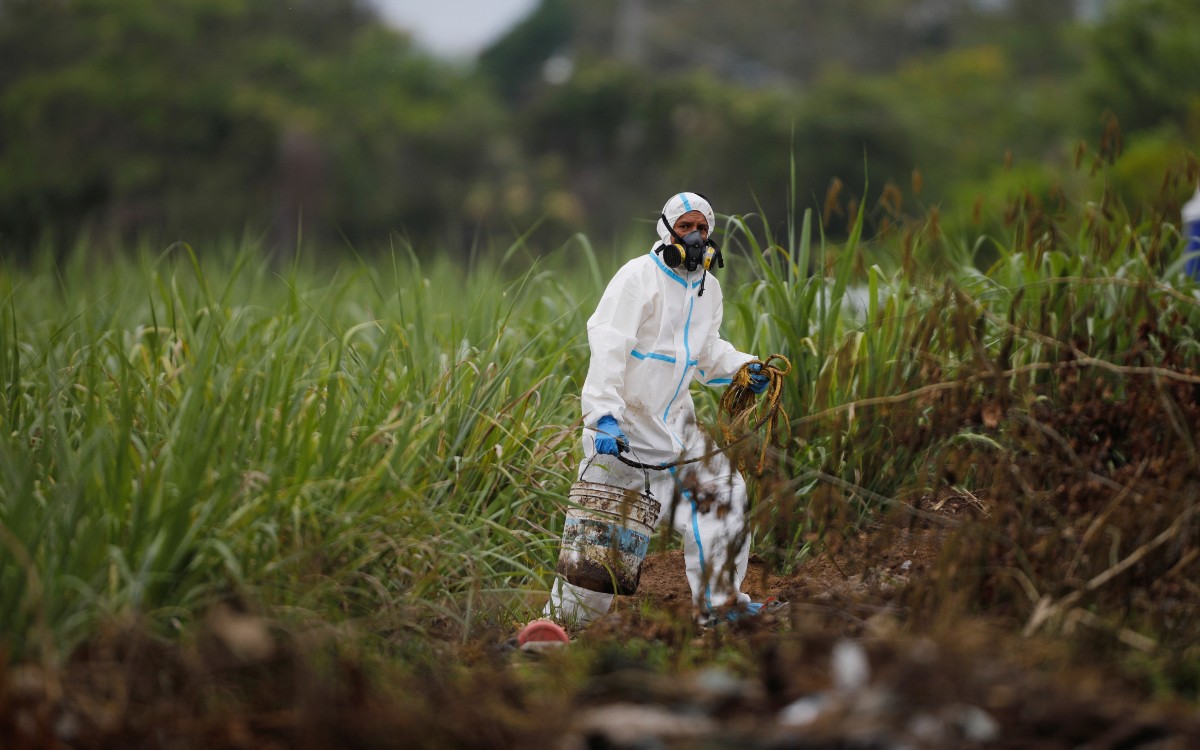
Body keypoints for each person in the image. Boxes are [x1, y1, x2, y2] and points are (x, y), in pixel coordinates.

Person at [545, 191, 775, 628]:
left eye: (702, 228)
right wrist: (602, 417)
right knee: (597, 548)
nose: (694, 237)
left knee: (725, 493)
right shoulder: (638, 278)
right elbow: (608, 345)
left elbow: (705, 353)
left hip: (674, 430)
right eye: (685, 227)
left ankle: (719, 606)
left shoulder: (708, 289)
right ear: (667, 230)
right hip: (622, 431)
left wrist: (743, 368)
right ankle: (557, 632)